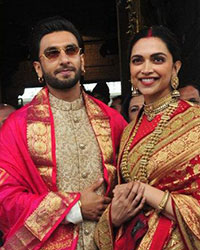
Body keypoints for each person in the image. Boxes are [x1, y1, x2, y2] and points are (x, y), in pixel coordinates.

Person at [0, 16, 127, 249]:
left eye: (70, 50)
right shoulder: (16, 127)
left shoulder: (113, 121)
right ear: (38, 68)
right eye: (52, 53)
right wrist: (74, 208)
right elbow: (5, 199)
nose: (64, 59)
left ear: (82, 59)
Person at [95, 26, 200, 250]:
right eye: (137, 60)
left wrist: (145, 192)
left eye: (158, 59)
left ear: (175, 68)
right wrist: (112, 217)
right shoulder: (129, 131)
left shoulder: (196, 121)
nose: (146, 69)